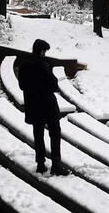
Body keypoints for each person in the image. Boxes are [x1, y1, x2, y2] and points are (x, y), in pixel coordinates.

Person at [17, 39, 68, 176]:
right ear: (42, 51)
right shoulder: (44, 65)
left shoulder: (23, 65)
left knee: (38, 133)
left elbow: (21, 85)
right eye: (45, 51)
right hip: (47, 105)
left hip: (32, 104)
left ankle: (40, 164)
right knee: (55, 133)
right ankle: (56, 164)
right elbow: (53, 85)